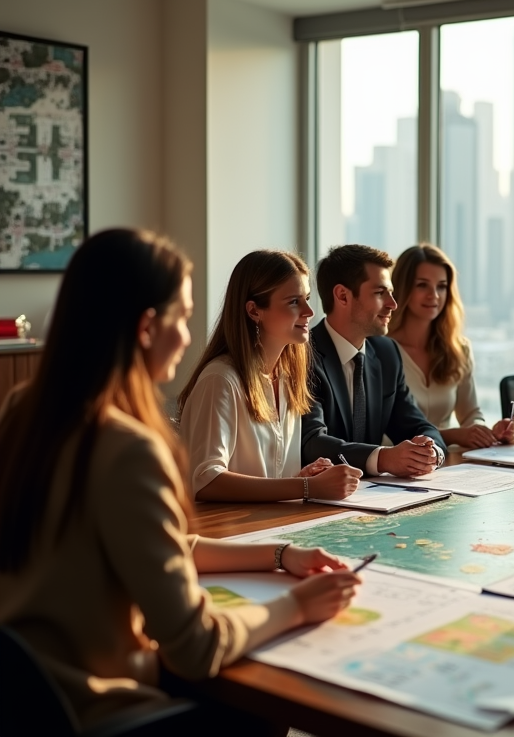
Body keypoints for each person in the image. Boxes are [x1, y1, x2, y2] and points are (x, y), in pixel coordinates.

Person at [0, 230, 361, 733]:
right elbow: (197, 648)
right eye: (182, 318)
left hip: (25, 698)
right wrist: (295, 606)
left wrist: (278, 554)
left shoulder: (23, 411)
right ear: (148, 327)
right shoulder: (129, 449)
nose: (190, 337)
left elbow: (162, 544)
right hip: (100, 712)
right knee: (264, 705)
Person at [178, 251, 362, 502]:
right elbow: (205, 480)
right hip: (233, 534)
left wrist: (301, 479)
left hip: (273, 526)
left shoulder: (288, 380)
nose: (309, 311)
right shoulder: (220, 380)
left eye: (307, 298)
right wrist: (307, 487)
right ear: (254, 311)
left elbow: (268, 480)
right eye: (294, 302)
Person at [302, 244, 446, 476]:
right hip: (317, 500)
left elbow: (419, 425)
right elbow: (312, 443)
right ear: (342, 296)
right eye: (380, 293)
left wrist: (431, 452)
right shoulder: (303, 355)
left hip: (376, 500)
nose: (393, 304)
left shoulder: (386, 352)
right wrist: (384, 459)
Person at [388, 244, 514, 448]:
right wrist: (454, 435)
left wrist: (485, 431)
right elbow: (385, 433)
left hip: (447, 466)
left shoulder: (459, 348)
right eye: (422, 285)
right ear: (402, 288)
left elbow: (471, 414)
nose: (435, 295)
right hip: (396, 469)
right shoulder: (378, 351)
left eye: (441, 286)